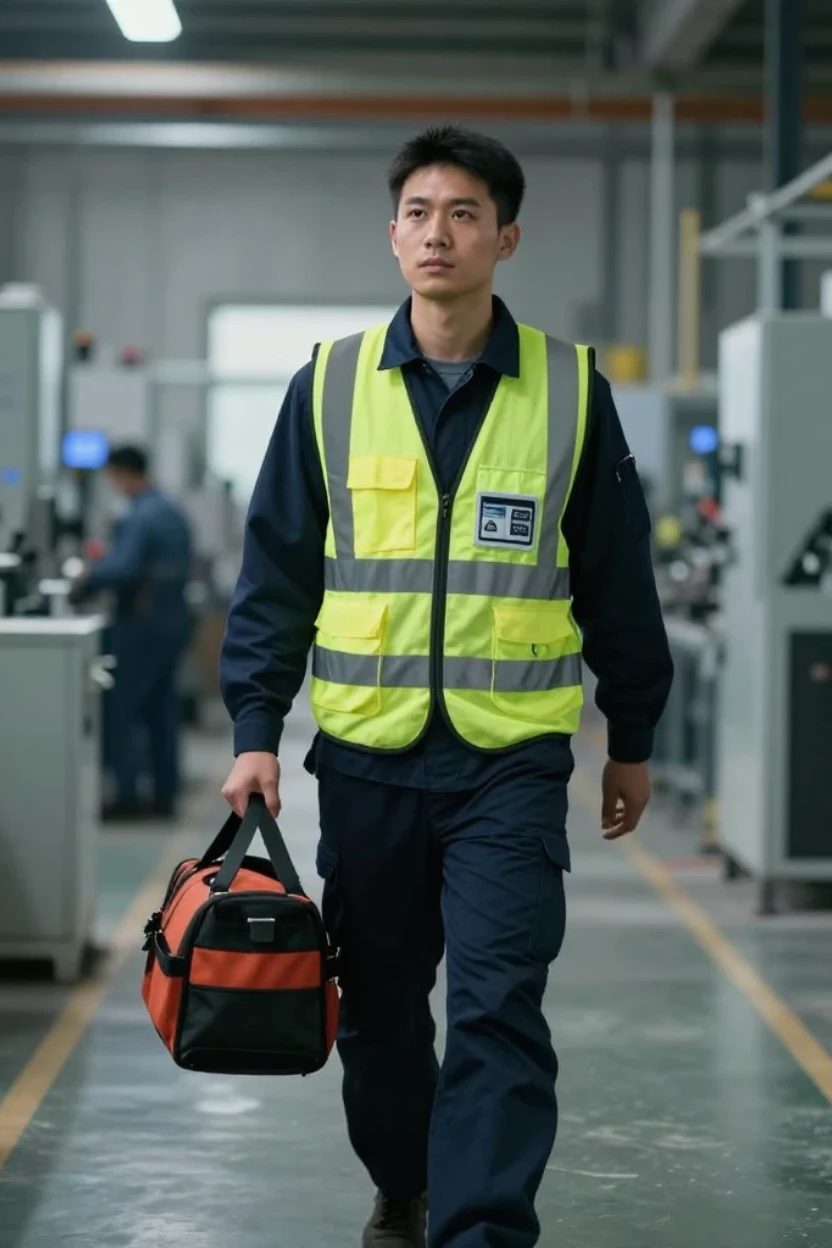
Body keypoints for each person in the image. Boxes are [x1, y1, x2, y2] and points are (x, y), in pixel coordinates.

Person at [220, 126, 673, 1247]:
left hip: (508, 764)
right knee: (378, 1013)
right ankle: (405, 1181)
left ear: (504, 239)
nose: (439, 233)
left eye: (464, 213)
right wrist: (254, 727)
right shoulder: (328, 386)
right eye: (419, 213)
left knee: (498, 1003)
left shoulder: (570, 391)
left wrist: (632, 734)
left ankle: (481, 1231)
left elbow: (618, 578)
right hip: (366, 760)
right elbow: (276, 573)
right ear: (393, 235)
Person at [76, 444, 194, 821]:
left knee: (122, 711)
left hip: (140, 626)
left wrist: (87, 576)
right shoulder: (172, 512)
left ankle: (127, 796)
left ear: (123, 473)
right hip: (172, 625)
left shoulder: (140, 517)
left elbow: (122, 568)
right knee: (162, 712)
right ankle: (164, 794)